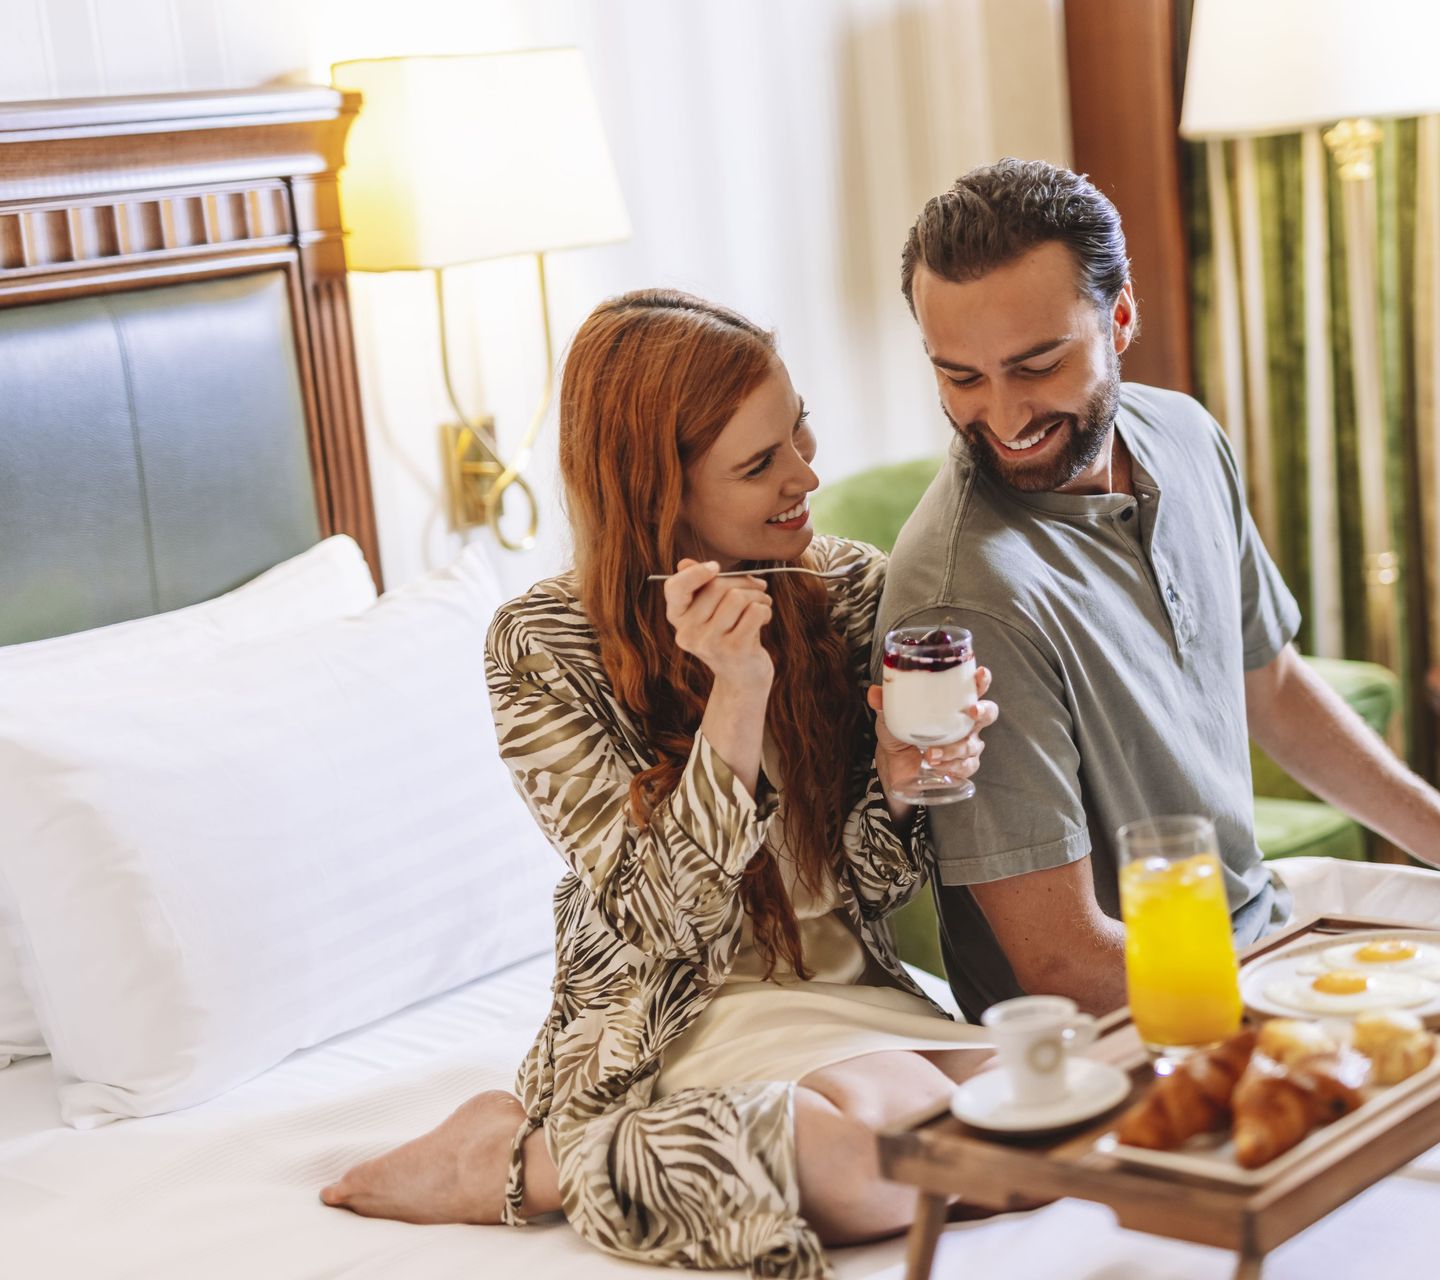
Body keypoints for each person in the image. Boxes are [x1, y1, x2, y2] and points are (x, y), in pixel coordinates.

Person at [320, 289, 998, 1274]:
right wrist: (738, 693)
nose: (805, 473)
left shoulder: (847, 587)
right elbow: (663, 919)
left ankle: (556, 1158)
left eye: (799, 429)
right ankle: (525, 1162)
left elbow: (872, 885)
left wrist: (900, 784)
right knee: (878, 1170)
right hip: (679, 1018)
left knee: (1082, 1120)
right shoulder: (542, 648)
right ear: (656, 490)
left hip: (848, 992)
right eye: (758, 464)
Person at [878, 159, 1440, 1025]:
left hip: (1259, 920)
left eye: (1038, 364)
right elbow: (1065, 963)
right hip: (1128, 1019)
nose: (1004, 416)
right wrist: (1306, 1005)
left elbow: (1275, 688)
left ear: (1120, 315)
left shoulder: (1182, 432)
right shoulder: (966, 600)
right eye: (961, 377)